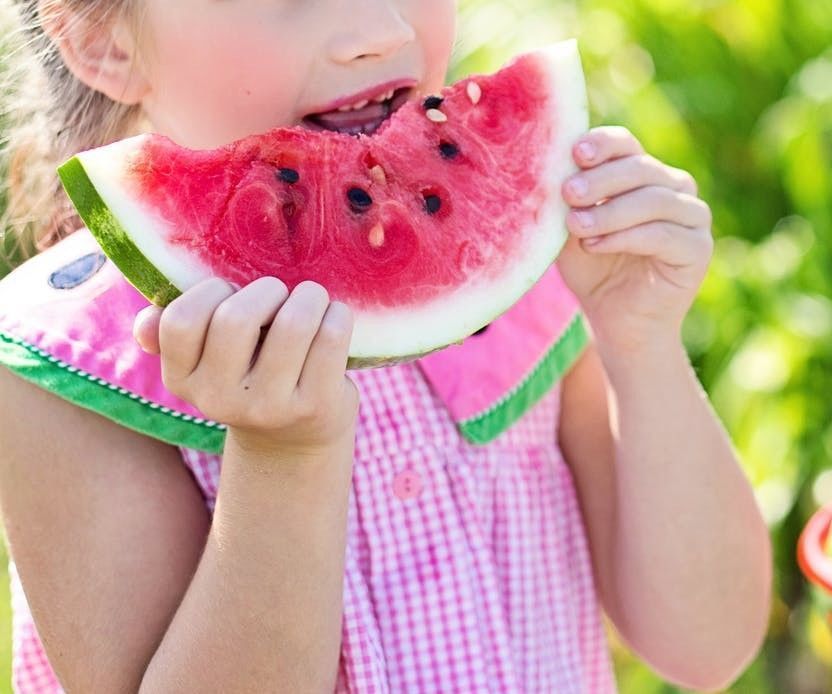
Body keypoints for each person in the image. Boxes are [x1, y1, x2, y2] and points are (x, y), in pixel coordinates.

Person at [0, 0, 771, 691]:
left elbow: (708, 647)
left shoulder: (526, 271)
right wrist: (282, 462)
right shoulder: (67, 371)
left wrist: (642, 344)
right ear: (102, 42)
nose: (383, 32)